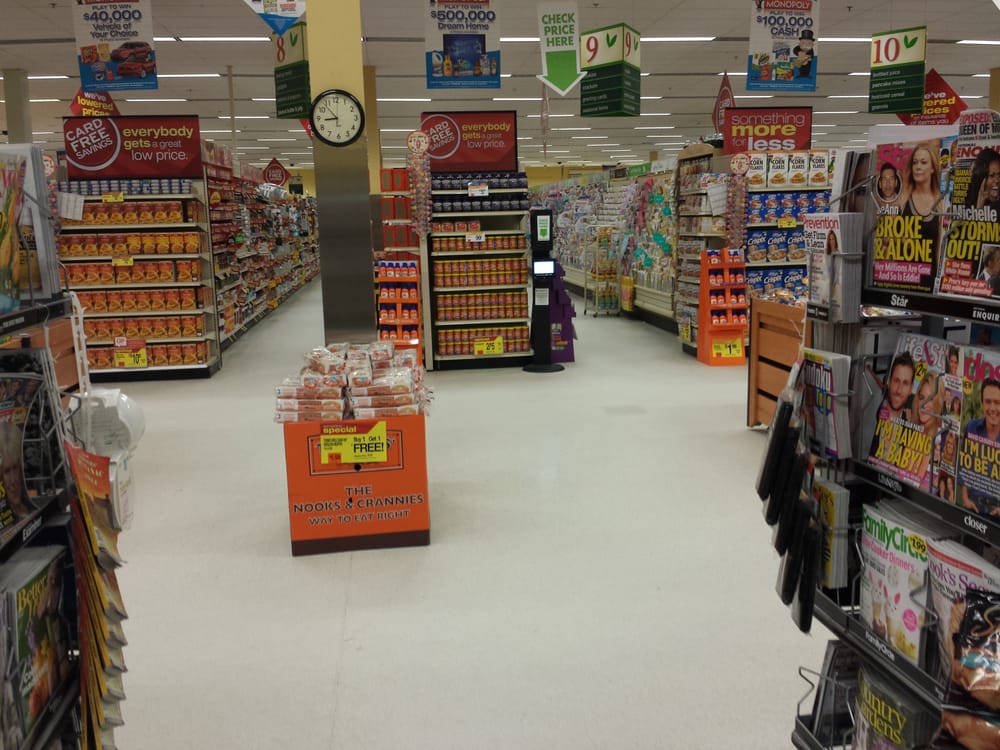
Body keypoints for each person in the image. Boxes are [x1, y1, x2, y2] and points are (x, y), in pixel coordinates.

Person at [895, 142, 943, 258]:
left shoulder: (940, 203)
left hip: (930, 268)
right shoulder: (902, 199)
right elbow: (886, 236)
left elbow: (939, 248)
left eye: (923, 162)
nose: (918, 167)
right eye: (915, 162)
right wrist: (901, 240)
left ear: (932, 168)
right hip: (905, 268)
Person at [959, 379, 1000, 514]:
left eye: (997, 402)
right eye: (988, 402)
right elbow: (964, 466)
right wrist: (965, 498)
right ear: (982, 404)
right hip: (972, 504)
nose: (992, 408)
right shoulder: (972, 427)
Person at [869, 352, 915, 459]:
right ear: (889, 381)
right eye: (896, 381)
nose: (899, 390)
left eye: (905, 383)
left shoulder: (909, 423)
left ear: (911, 388)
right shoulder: (878, 411)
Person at [965, 147, 1000, 214]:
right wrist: (980, 206)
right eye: (991, 175)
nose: (997, 180)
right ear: (981, 179)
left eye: (999, 174)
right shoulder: (969, 201)